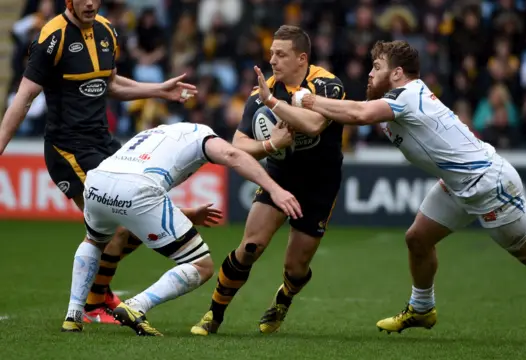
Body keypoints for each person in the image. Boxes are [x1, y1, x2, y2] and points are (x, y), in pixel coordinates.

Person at [297, 40, 526, 347]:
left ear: (397, 73)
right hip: (458, 184)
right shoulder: (395, 100)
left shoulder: (406, 95)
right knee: (417, 239)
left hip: (488, 184)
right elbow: (350, 113)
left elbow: (358, 115)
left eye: (377, 66)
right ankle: (422, 308)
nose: (369, 73)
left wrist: (306, 99)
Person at [0, 0, 197, 326]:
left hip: (105, 144)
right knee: (116, 226)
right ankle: (94, 302)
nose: (91, 2)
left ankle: (97, 297)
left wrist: (159, 91)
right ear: (69, 2)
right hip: (68, 149)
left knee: (126, 226)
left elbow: (110, 83)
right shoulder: (53, 36)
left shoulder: (107, 30)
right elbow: (24, 96)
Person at [64, 122, 302, 336]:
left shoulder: (154, 133)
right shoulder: (203, 136)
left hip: (96, 182)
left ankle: (73, 316)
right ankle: (136, 306)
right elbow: (231, 153)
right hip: (136, 189)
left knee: (94, 241)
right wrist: (274, 189)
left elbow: (131, 189)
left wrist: (188, 213)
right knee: (201, 265)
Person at [190, 25, 345, 336]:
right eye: (272, 53)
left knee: (295, 268)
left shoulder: (328, 86)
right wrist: (270, 145)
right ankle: (213, 315)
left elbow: (314, 125)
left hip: (320, 183)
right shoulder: (261, 93)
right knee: (250, 247)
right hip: (279, 176)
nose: (273, 60)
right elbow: (237, 144)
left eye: (281, 54)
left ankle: (283, 300)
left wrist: (275, 104)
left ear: (302, 58)